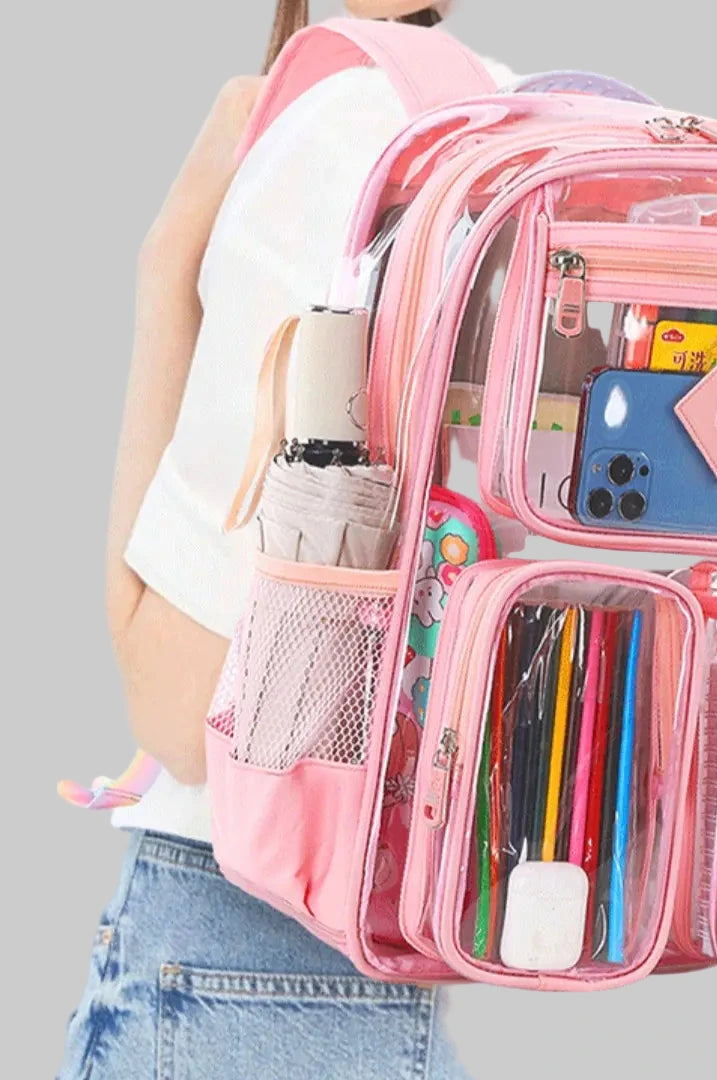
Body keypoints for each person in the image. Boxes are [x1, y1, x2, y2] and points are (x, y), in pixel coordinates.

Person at [58, 3, 512, 1077]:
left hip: (236, 944)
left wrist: (166, 267)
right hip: (414, 925)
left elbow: (173, 709)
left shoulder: (337, 130)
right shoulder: (521, 125)